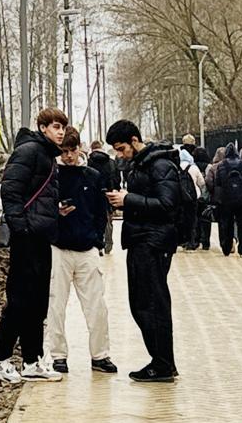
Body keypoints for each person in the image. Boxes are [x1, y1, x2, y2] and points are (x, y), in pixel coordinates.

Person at [0, 109, 66, 384]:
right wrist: (22, 228)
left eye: (63, 127)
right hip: (28, 238)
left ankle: (32, 360)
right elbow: (10, 191)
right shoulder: (29, 151)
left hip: (41, 237)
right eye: (56, 126)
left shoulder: (47, 156)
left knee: (38, 301)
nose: (61, 132)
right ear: (43, 128)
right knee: (20, 299)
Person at [105, 119, 184, 382]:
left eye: (121, 148)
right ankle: (162, 361)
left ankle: (162, 364)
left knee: (152, 304)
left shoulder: (160, 165)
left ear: (135, 141)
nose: (119, 155)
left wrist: (128, 200)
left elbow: (167, 204)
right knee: (142, 303)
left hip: (154, 242)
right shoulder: (142, 164)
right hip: (143, 240)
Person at [46, 125, 116, 375]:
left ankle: (100, 355)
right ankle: (58, 355)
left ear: (79, 149)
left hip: (86, 248)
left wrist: (98, 241)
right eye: (63, 151)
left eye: (72, 150)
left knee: (97, 305)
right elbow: (43, 209)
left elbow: (100, 212)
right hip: (59, 248)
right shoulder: (52, 176)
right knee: (56, 304)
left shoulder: (92, 176)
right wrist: (56, 213)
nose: (68, 156)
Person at [208, 142, 242, 256]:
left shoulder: (222, 165)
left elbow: (218, 183)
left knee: (226, 224)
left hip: (226, 200)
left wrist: (218, 200)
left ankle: (227, 247)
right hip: (241, 200)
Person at [174, 137, 207, 250]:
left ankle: (181, 240)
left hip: (180, 197)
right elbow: (202, 183)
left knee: (182, 219)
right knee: (193, 220)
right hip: (194, 197)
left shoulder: (176, 167)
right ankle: (193, 241)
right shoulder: (193, 167)